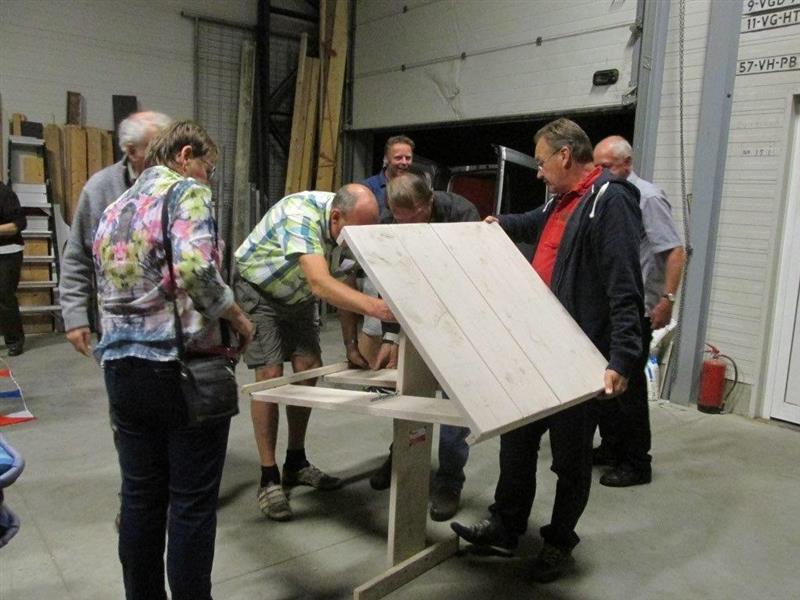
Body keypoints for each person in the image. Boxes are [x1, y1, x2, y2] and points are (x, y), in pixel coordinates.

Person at [451, 118, 644, 583]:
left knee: (570, 459)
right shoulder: (562, 199)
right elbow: (537, 222)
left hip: (577, 353)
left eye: (541, 162)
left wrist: (622, 358)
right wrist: (501, 223)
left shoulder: (609, 201)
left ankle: (559, 542)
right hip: (538, 344)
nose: (538, 171)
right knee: (516, 443)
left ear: (564, 155)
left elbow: (625, 284)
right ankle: (505, 526)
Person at [92, 120, 254, 600]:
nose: (208, 179)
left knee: (141, 500)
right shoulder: (186, 193)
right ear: (185, 155)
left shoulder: (115, 207)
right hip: (180, 370)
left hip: (121, 369)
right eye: (208, 167)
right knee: (191, 505)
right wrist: (238, 318)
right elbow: (195, 267)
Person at [234, 184, 394, 522]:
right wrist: (377, 308)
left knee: (309, 368)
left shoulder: (350, 226)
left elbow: (344, 283)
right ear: (336, 217)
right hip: (260, 290)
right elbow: (321, 284)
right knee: (269, 377)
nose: (358, 240)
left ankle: (296, 462)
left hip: (298, 293)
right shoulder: (300, 216)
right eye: (355, 233)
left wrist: (351, 345)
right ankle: (269, 476)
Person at [366, 167, 479, 522]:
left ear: (428, 202)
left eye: (413, 218)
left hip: (458, 318)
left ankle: (449, 481)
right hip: (414, 315)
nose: (407, 228)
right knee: (409, 395)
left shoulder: (461, 214)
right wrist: (390, 333)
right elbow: (388, 278)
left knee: (453, 403)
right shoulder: (390, 220)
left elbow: (476, 273)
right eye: (400, 221)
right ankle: (400, 458)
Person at [591, 135, 686, 487]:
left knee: (628, 391)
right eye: (597, 167)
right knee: (606, 384)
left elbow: (674, 251)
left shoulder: (647, 197)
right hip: (612, 308)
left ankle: (636, 463)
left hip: (637, 310)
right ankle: (611, 447)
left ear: (627, 164)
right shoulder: (606, 195)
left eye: (606, 167)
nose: (600, 173)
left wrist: (667, 299)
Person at [61, 110, 172, 356]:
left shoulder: (176, 186)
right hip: (119, 327)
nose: (166, 157)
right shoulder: (101, 189)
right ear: (132, 151)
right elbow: (77, 256)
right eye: (157, 149)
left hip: (172, 326)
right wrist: (75, 317)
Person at [0, 181, 27, 356]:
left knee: (4, 297)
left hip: (8, 252)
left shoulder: (4, 193)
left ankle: (14, 340)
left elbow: (19, 224)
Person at [362, 134, 414, 215]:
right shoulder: (367, 188)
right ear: (386, 159)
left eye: (408, 158)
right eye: (398, 158)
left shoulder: (416, 187)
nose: (404, 162)